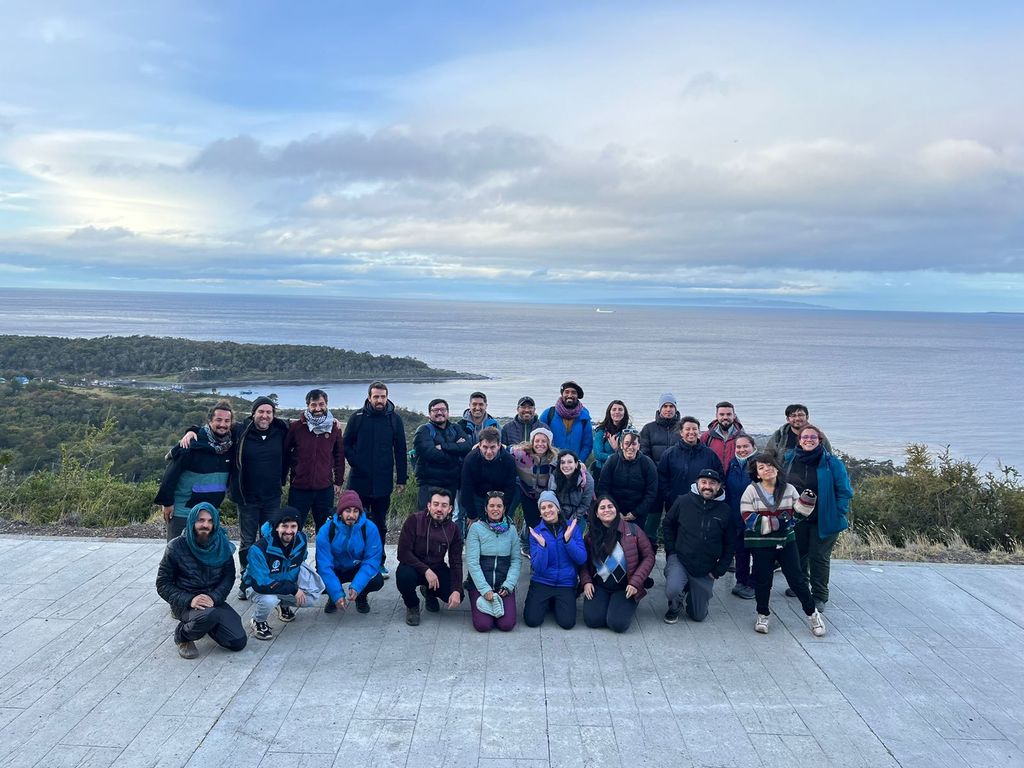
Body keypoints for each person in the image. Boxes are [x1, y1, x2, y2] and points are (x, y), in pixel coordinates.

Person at [179, 396, 289, 599]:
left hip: (272, 497)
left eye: (269, 412)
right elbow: (214, 428)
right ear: (253, 413)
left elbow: (303, 426)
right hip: (247, 497)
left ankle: (266, 579)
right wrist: (191, 430)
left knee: (269, 540)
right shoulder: (241, 430)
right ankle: (247, 580)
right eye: (261, 411)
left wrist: (333, 421)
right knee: (247, 542)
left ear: (273, 415)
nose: (264, 416)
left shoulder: (281, 431)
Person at [740, 453, 826, 637]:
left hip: (786, 542)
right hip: (761, 544)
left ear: (777, 468)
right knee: (763, 581)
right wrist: (780, 522)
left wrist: (807, 503)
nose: (767, 469)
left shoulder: (789, 489)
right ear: (757, 474)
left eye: (770, 465)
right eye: (761, 467)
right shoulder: (751, 491)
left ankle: (813, 614)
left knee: (797, 580)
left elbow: (799, 514)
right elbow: (749, 519)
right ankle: (763, 614)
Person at [155, 502, 246, 659]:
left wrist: (214, 597)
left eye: (210, 521)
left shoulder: (222, 546)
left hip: (213, 600)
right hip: (185, 603)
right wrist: (191, 600)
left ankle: (205, 624)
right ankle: (182, 636)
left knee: (237, 641)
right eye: (201, 520)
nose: (206, 525)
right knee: (207, 616)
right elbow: (163, 584)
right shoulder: (176, 547)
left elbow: (228, 577)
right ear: (192, 522)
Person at [782, 424, 853, 610]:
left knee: (819, 556)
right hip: (797, 517)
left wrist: (838, 512)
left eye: (813, 437)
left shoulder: (832, 463)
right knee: (799, 553)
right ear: (799, 440)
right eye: (805, 437)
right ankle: (801, 586)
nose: (808, 440)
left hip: (824, 517)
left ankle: (819, 595)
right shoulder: (789, 459)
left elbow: (844, 491)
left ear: (820, 440)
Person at [343, 381, 407, 578]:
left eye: (383, 397)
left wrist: (402, 479)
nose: (380, 400)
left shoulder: (394, 420)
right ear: (369, 398)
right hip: (359, 481)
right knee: (355, 521)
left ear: (387, 397)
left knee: (379, 523)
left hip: (383, 481)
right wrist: (357, 463)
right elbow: (345, 445)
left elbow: (401, 450)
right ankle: (355, 560)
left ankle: (378, 562)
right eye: (376, 397)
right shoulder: (358, 418)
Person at [662, 469, 734, 623]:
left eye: (712, 483)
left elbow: (730, 544)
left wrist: (718, 570)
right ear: (697, 484)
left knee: (698, 616)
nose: (707, 486)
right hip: (681, 558)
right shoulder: (683, 501)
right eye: (704, 482)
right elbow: (667, 523)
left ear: (719, 486)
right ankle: (675, 605)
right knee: (673, 589)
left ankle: (691, 592)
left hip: (705, 568)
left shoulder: (725, 511)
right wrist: (671, 551)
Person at [155, 401, 234, 541]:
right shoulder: (192, 445)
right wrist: (166, 503)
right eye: (218, 420)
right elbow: (170, 476)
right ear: (209, 421)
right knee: (178, 554)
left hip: (210, 514)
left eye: (227, 421)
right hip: (184, 512)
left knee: (205, 556)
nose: (223, 424)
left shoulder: (230, 446)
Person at [243, 508, 324, 640]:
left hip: (285, 582)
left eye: (293, 526)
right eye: (284, 526)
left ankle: (283, 604)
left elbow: (302, 558)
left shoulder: (301, 540)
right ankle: (258, 621)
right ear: (276, 527)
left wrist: (299, 583)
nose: (289, 531)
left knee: (310, 598)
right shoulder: (258, 549)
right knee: (270, 600)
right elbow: (261, 583)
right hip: (258, 586)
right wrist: (293, 589)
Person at [580, 495, 655, 633]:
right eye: (602, 508)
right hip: (600, 586)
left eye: (610, 506)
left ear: (616, 509)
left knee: (617, 624)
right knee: (593, 620)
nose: (607, 510)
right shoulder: (590, 536)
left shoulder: (633, 531)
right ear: (596, 513)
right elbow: (583, 562)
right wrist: (586, 582)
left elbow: (649, 557)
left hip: (625, 587)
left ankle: (628, 603)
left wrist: (635, 582)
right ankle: (608, 604)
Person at [396, 488, 463, 626]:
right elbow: (402, 553)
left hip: (437, 567)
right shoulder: (414, 520)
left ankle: (429, 592)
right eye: (436, 504)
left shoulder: (453, 529)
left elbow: (456, 562)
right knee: (403, 576)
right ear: (429, 505)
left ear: (450, 509)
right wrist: (426, 570)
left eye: (444, 505)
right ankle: (412, 605)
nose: (439, 509)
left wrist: (456, 589)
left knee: (458, 594)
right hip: (413, 566)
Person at [284, 388, 345, 534]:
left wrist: (338, 481)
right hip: (299, 488)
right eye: (314, 405)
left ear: (326, 404)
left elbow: (339, 455)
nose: (318, 408)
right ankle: (295, 557)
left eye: (321, 404)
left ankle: (322, 558)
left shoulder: (334, 428)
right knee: (294, 530)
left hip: (325, 488)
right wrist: (282, 479)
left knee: (325, 531)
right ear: (307, 405)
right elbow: (285, 453)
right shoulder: (296, 427)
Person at [523, 491, 586, 629]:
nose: (547, 511)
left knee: (567, 623)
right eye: (543, 508)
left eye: (550, 506)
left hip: (565, 583)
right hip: (542, 581)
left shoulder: (572, 528)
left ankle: (555, 602)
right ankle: (547, 601)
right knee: (532, 621)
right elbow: (538, 568)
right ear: (540, 513)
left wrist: (568, 541)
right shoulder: (536, 532)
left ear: (557, 508)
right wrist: (542, 546)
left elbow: (581, 559)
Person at [316, 489, 385, 615]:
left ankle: (361, 596)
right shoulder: (326, 530)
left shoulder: (370, 528)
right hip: (335, 568)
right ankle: (333, 597)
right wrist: (336, 593)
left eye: (355, 511)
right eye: (348, 511)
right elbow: (324, 565)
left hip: (357, 567)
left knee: (377, 580)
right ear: (340, 512)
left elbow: (372, 559)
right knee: (317, 581)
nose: (352, 515)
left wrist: (357, 586)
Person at [465, 491, 522, 632]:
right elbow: (472, 562)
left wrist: (509, 585)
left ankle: (500, 604)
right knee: (483, 625)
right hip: (481, 586)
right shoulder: (476, 528)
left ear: (504, 509)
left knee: (506, 625)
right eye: (491, 506)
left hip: (503, 586)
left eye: (499, 506)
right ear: (485, 508)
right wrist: (484, 589)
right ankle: (481, 602)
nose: (495, 509)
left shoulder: (512, 530)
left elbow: (516, 560)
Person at [412, 399, 471, 511]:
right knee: (425, 519)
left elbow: (467, 447)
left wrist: (443, 446)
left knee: (446, 520)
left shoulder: (455, 428)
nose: (439, 413)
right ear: (429, 414)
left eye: (442, 409)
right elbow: (431, 454)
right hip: (429, 484)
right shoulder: (423, 431)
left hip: (451, 484)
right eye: (435, 410)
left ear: (447, 412)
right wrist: (455, 450)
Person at [639, 393, 681, 548]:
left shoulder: (683, 428)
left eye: (671, 406)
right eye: (665, 406)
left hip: (675, 482)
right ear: (660, 408)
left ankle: (675, 551)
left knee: (675, 519)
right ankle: (648, 551)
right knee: (652, 520)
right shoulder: (649, 428)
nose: (668, 409)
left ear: (676, 408)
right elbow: (644, 452)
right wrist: (656, 473)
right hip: (654, 481)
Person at [596, 428, 659, 531]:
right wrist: (615, 511)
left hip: (637, 514)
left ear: (638, 446)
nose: (630, 447)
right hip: (614, 512)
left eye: (634, 444)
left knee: (634, 543)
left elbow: (651, 492)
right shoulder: (612, 461)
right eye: (627, 443)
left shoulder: (647, 464)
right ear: (621, 445)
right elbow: (603, 488)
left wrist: (636, 513)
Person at [459, 426, 517, 535]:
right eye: (485, 447)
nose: (489, 451)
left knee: (498, 532)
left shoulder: (508, 460)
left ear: (499, 446)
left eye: (492, 447)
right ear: (479, 445)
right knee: (477, 531)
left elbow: (510, 488)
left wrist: (503, 511)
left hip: (500, 498)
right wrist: (472, 516)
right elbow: (466, 489)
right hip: (478, 496)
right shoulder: (470, 459)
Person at [658, 416, 724, 510]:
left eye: (694, 429)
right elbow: (661, 478)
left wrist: (713, 495)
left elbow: (720, 477)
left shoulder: (710, 454)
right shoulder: (670, 454)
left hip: (703, 504)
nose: (691, 432)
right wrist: (668, 496)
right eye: (687, 429)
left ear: (699, 432)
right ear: (681, 432)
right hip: (675, 503)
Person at [510, 426, 559, 554]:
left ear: (549, 443)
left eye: (544, 441)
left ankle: (532, 546)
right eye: (537, 441)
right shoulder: (521, 453)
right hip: (525, 491)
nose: (540, 444)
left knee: (538, 522)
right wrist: (478, 445)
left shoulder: (554, 458)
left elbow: (571, 461)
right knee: (531, 521)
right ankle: (527, 546)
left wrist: (580, 465)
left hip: (543, 494)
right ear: (532, 442)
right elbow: (503, 448)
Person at [724, 433, 757, 600]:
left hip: (756, 517)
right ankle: (740, 581)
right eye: (739, 447)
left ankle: (753, 584)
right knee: (741, 551)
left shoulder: (760, 464)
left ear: (753, 447)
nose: (742, 450)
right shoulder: (733, 463)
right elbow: (728, 490)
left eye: (746, 446)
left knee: (757, 552)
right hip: (736, 515)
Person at [538, 381, 593, 463]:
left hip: (574, 465)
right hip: (551, 464)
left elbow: (587, 445)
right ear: (562, 394)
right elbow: (538, 438)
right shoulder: (549, 413)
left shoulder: (584, 417)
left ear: (577, 396)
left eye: (573, 393)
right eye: (566, 392)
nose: (570, 395)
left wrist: (578, 462)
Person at [765, 404, 834, 455]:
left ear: (807, 417)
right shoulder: (779, 435)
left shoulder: (818, 435)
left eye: (800, 415)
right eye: (793, 416)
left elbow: (829, 456)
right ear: (788, 419)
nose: (797, 418)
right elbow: (768, 455)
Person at [591, 400, 631, 481]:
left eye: (620, 409)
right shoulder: (601, 431)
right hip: (602, 471)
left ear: (624, 413)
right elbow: (598, 454)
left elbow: (632, 454)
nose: (617, 412)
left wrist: (617, 449)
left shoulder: (629, 431)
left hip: (623, 471)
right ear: (609, 412)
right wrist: (618, 455)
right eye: (614, 409)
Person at [554, 449, 595, 527]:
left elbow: (584, 504)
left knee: (575, 537)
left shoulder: (588, 480)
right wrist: (562, 519)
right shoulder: (555, 476)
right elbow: (552, 497)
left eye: (570, 462)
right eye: (562, 462)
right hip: (558, 515)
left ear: (576, 464)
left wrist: (572, 521)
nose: (566, 465)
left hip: (579, 516)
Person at [699, 401, 745, 469]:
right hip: (714, 478)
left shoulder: (743, 437)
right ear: (716, 416)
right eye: (722, 414)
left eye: (729, 414)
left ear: (734, 416)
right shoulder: (707, 437)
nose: (725, 417)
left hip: (735, 478)